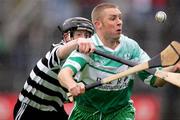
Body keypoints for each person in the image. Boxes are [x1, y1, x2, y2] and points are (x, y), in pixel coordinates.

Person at [58, 3, 179, 120]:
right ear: (98, 24)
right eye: (113, 18)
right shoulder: (88, 46)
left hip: (120, 112)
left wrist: (174, 68)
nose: (119, 22)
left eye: (120, 18)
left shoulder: (131, 48)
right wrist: (72, 85)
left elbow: (154, 79)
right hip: (85, 112)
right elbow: (64, 74)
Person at [13, 17, 95, 120]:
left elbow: (71, 96)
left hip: (54, 109)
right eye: (79, 35)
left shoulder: (84, 61)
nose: (84, 39)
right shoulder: (57, 50)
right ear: (66, 37)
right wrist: (79, 42)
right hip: (31, 109)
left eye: (87, 36)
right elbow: (61, 53)